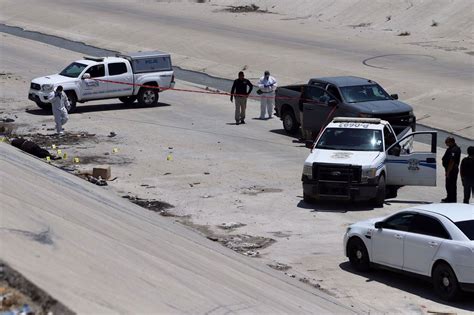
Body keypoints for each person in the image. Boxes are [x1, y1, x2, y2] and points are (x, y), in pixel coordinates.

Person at [441, 137, 461, 203]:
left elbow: (451, 162)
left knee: (451, 185)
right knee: (448, 185)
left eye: (447, 142)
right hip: (449, 169)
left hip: (452, 170)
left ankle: (452, 200)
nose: (446, 144)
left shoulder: (454, 150)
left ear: (451, 142)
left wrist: (448, 172)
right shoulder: (451, 148)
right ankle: (449, 197)